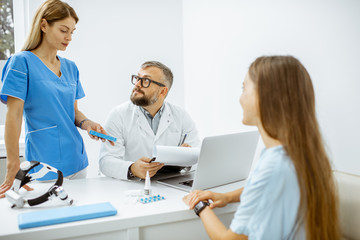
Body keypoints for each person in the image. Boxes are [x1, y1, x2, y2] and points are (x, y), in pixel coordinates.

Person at [183, 56, 340, 239]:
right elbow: (265, 187)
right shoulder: (292, 154)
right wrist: (227, 197)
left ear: (266, 96)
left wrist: (199, 205)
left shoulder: (275, 167)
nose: (240, 98)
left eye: (244, 88)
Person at [0, 0, 113, 198]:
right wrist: (13, 164)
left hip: (77, 162)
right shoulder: (21, 63)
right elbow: (14, 115)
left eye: (72, 31)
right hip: (44, 167)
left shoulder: (71, 67)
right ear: (44, 25)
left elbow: (73, 111)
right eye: (63, 30)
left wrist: (87, 124)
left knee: (79, 223)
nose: (69, 37)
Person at [99, 61, 200, 180]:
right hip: (131, 186)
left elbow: (198, 155)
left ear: (163, 91)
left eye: (146, 81)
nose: (137, 84)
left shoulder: (181, 116)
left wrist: (186, 156)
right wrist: (132, 169)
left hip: (169, 182)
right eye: (137, 78)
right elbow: (106, 161)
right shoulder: (118, 115)